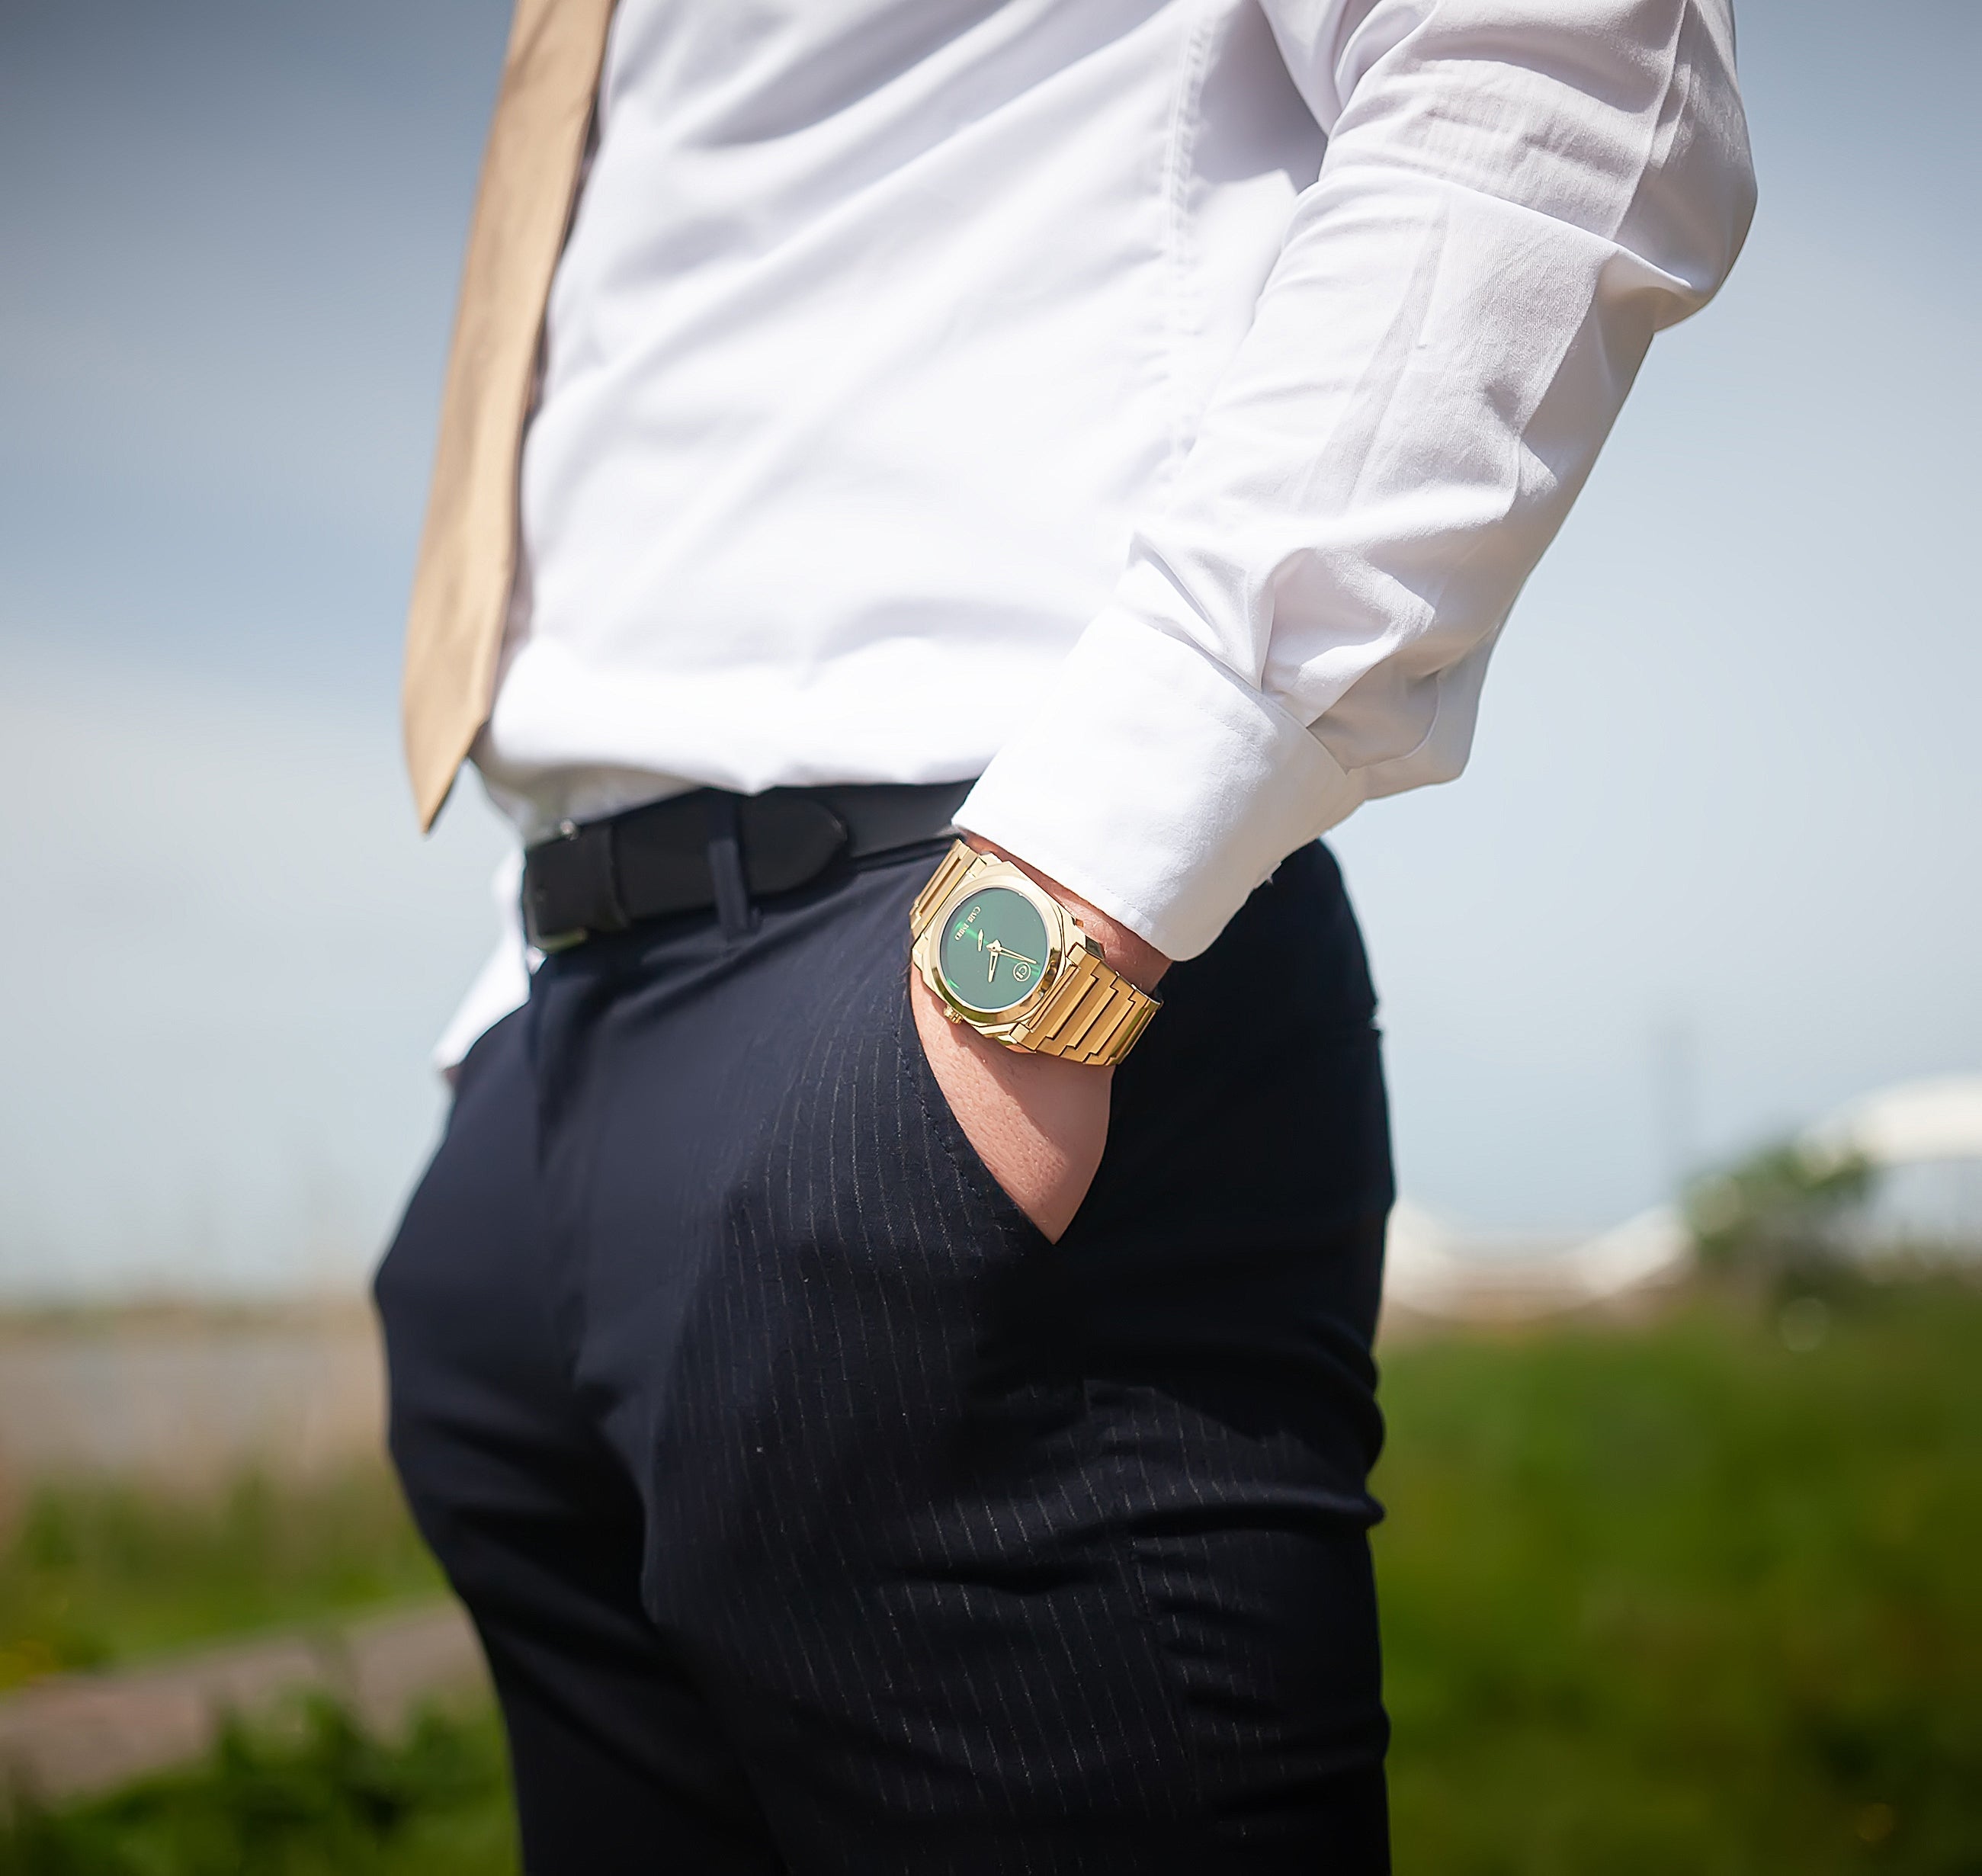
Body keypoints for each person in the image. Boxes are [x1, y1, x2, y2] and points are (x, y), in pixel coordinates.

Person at [374, 3, 1753, 1869]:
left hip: (967, 981)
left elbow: (1552, 68)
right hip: (565, 1029)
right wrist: (510, 1031)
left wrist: (1068, 906)